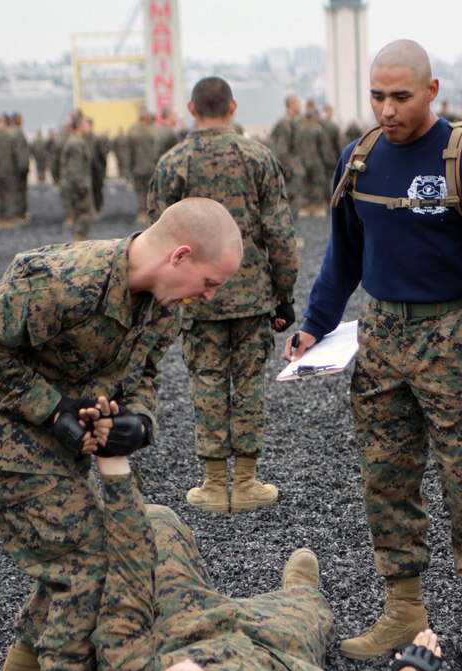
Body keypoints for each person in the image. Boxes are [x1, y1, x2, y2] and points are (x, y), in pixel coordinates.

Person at [284, 40, 462, 671]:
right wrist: (314, 326)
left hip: (453, 339)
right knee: (386, 480)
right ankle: (402, 607)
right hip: (382, 340)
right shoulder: (358, 160)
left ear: (432, 89)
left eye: (400, 96)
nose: (386, 109)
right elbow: (344, 257)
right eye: (376, 96)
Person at [0, 198, 243, 671]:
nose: (209, 298)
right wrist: (54, 411)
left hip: (54, 448)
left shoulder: (162, 306)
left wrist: (139, 419)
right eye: (208, 282)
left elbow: (142, 373)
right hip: (0, 440)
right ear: (179, 255)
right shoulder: (57, 281)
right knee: (88, 562)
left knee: (68, 560)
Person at [90, 438, 443, 671]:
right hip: (274, 652)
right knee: (313, 606)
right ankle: (297, 592)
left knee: (155, 522)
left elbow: (127, 570)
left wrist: (112, 465)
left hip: (187, 624)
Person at [147, 76, 299, 513]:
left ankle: (214, 485)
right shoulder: (258, 157)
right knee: (249, 383)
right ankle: (247, 482)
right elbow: (280, 233)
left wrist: (163, 297)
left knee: (207, 381)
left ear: (192, 109)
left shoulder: (173, 163)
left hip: (194, 296)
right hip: (252, 296)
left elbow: (156, 239)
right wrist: (284, 293)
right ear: (232, 107)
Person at [269, 93, 306, 219]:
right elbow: (281, 149)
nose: (300, 106)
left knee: (295, 198)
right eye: (298, 103)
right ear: (292, 105)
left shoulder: (293, 122)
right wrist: (286, 169)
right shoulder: (285, 123)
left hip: (293, 165)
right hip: (289, 167)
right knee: (290, 198)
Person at [59, 112, 93, 241]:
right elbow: (75, 167)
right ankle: (78, 244)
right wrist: (81, 186)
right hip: (76, 185)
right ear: (79, 126)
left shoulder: (77, 141)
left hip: (74, 183)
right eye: (86, 124)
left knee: (80, 215)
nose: (89, 127)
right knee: (83, 214)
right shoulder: (76, 143)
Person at [128, 109, 157, 224]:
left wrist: (128, 168)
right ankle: (151, 213)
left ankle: (141, 213)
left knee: (140, 191)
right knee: (151, 191)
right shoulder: (154, 132)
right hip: (152, 167)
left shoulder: (133, 133)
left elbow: (129, 152)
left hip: (138, 168)